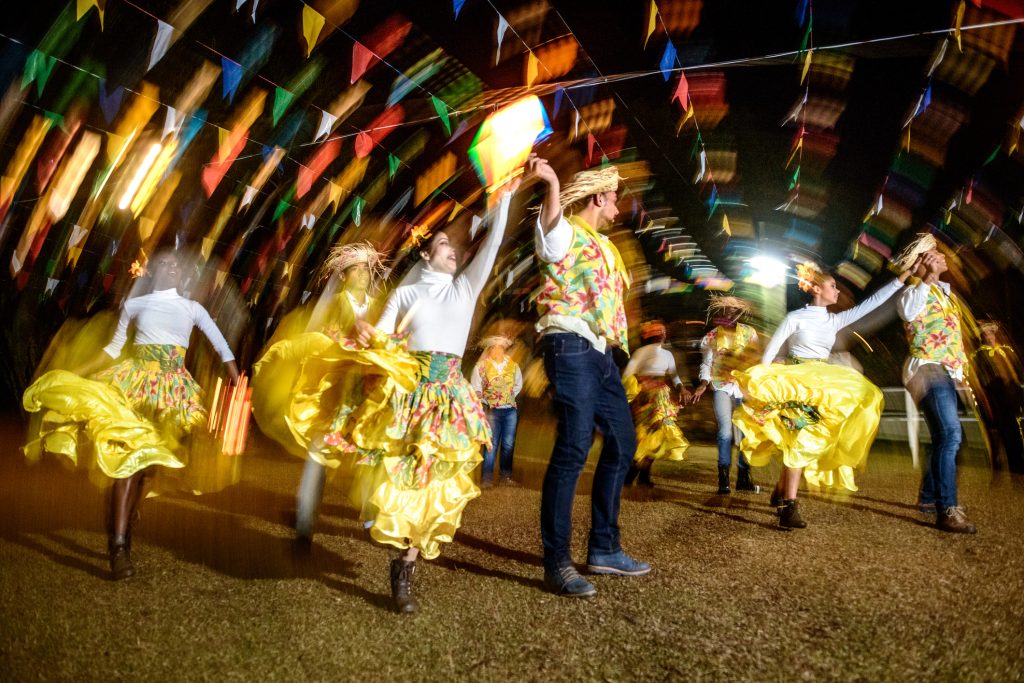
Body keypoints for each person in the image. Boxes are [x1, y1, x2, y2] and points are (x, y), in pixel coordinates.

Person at [323, 182, 517, 613]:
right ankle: (401, 556)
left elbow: (494, 243)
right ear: (426, 255)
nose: (454, 250)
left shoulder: (464, 290)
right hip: (410, 398)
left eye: (455, 247)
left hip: (450, 401)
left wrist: (504, 200)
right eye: (443, 244)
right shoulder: (405, 294)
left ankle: (406, 567)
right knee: (404, 483)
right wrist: (367, 332)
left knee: (436, 489)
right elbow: (386, 341)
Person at [22, 250, 240, 579]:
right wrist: (77, 372)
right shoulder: (136, 305)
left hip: (170, 395)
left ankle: (128, 511)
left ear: (182, 276)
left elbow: (221, 345)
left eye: (177, 266)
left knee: (149, 467)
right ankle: (119, 547)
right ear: (152, 272)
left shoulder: (192, 309)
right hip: (133, 385)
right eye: (165, 264)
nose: (172, 268)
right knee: (129, 463)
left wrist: (236, 379)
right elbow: (112, 349)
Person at [530, 155, 649, 599]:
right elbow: (550, 235)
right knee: (575, 446)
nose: (617, 209)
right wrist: (552, 184)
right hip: (570, 345)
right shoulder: (566, 234)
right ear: (599, 197)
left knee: (624, 442)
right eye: (615, 200)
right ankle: (556, 562)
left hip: (601, 354)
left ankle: (603, 547)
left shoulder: (604, 246)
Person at [732, 260, 913, 529]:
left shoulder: (835, 319)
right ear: (817, 289)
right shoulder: (794, 317)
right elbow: (770, 354)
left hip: (822, 386)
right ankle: (788, 507)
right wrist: (762, 382)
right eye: (832, 286)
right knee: (798, 440)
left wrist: (902, 279)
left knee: (807, 440)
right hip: (794, 384)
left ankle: (782, 491)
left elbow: (872, 303)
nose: (837, 291)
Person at [251, 242, 386, 549]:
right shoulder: (336, 303)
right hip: (335, 391)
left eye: (367, 270)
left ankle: (370, 516)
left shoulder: (380, 306)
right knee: (318, 456)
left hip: (366, 392)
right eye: (356, 270)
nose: (363, 275)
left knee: (371, 452)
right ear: (345, 276)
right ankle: (305, 523)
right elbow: (320, 338)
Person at [894, 234, 977, 533]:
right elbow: (909, 313)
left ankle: (931, 498)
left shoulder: (944, 293)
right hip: (927, 368)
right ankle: (947, 509)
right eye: (931, 254)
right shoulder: (912, 291)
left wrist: (960, 376)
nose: (939, 256)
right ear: (918, 263)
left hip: (945, 370)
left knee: (946, 437)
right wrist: (926, 275)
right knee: (950, 435)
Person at [690, 296, 760, 495]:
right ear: (721, 313)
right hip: (721, 386)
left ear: (739, 313)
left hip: (744, 388)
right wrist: (704, 383)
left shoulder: (749, 333)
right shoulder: (711, 337)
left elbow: (755, 360)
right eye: (726, 310)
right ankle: (723, 479)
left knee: (745, 432)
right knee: (725, 432)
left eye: (733, 310)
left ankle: (744, 477)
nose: (729, 313)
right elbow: (706, 363)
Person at [621, 320, 690, 487]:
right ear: (653, 335)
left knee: (658, 434)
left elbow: (674, 376)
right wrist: (637, 387)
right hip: (644, 397)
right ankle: (633, 472)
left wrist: (682, 389)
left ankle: (643, 473)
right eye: (661, 333)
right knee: (642, 434)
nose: (663, 335)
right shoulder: (642, 352)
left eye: (664, 332)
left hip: (661, 398)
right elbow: (628, 374)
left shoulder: (667, 355)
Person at [469, 334, 523, 487]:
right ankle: (486, 479)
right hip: (491, 411)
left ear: (503, 349)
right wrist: (486, 400)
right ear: (490, 349)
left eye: (500, 347)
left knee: (508, 444)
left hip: (510, 410)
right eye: (494, 347)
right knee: (490, 444)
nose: (497, 350)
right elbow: (475, 388)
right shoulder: (481, 367)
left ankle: (505, 476)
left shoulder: (513, 366)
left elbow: (518, 385)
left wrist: (507, 397)